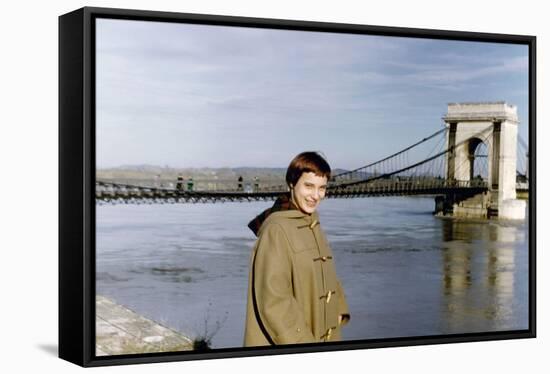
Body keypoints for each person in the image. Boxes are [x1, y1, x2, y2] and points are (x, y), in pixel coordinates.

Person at [244, 151, 350, 346]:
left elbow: (327, 276)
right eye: (309, 186)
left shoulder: (311, 223)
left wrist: (337, 310)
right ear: (291, 184)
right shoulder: (276, 230)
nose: (316, 196)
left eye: (322, 188)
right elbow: (274, 301)